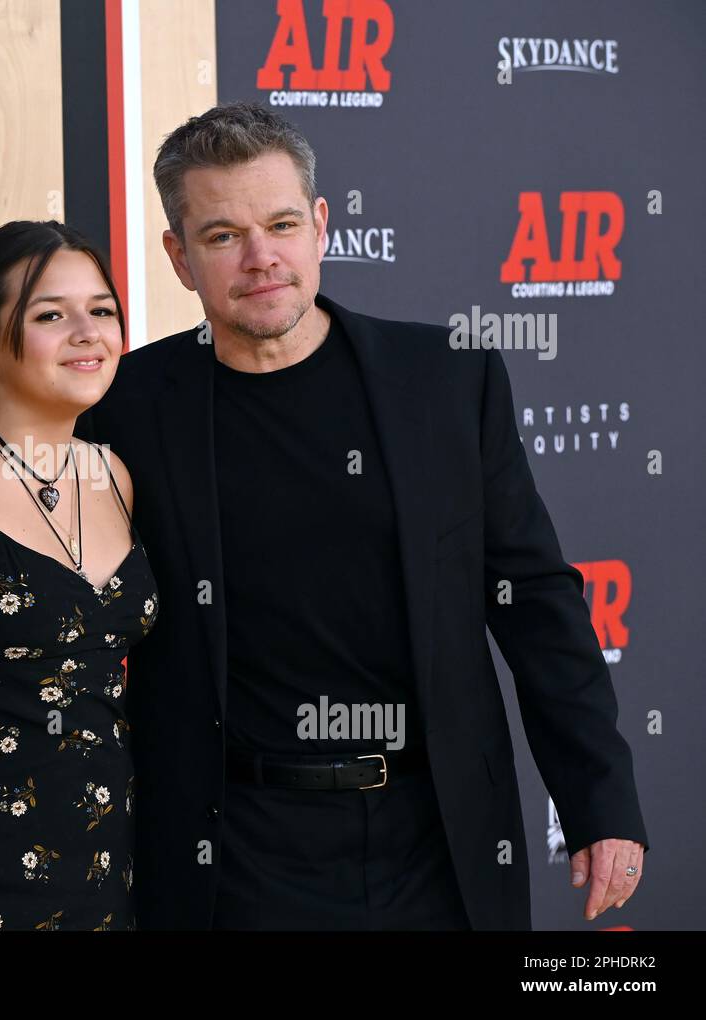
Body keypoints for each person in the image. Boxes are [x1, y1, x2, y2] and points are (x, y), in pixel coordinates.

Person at [76, 102, 648, 930]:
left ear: (319, 226)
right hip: (232, 849)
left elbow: (536, 600)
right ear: (179, 256)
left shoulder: (445, 381)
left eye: (279, 224)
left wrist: (601, 800)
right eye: (223, 235)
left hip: (437, 837)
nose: (260, 258)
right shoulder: (125, 407)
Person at [0, 221, 158, 931]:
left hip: (112, 856)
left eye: (103, 311)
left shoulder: (116, 473)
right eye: (51, 315)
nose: (88, 333)